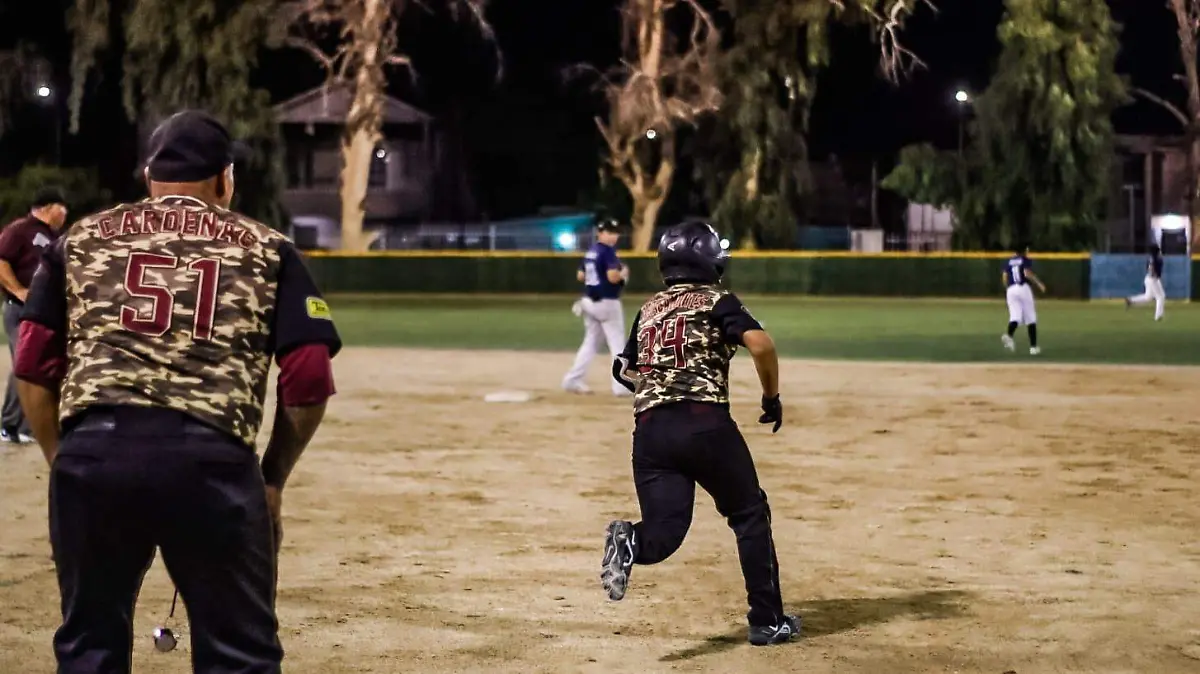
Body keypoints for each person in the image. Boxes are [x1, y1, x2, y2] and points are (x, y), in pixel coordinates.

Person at [13, 109, 342, 674]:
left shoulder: (81, 239)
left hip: (96, 457)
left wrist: (62, 457)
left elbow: (33, 359)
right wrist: (271, 477)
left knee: (89, 645)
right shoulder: (269, 248)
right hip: (210, 464)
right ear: (225, 180)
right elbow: (308, 374)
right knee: (240, 653)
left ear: (148, 177)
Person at [601, 220, 797, 647]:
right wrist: (771, 398)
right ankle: (766, 620)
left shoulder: (649, 307)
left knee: (664, 531)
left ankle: (630, 540)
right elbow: (761, 345)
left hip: (650, 431)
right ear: (710, 260)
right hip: (704, 424)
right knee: (748, 515)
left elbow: (623, 368)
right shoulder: (716, 300)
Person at [0, 187, 69, 443]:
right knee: (28, 365)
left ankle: (18, 425)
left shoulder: (54, 236)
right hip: (20, 310)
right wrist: (18, 290)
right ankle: (15, 426)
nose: (65, 214)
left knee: (30, 363)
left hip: (44, 311)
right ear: (49, 207)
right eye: (63, 209)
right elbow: (1, 260)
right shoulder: (20, 230)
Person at [562, 218, 630, 396]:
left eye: (615, 232)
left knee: (590, 344)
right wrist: (624, 273)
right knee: (617, 345)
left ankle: (572, 380)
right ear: (600, 233)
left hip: (591, 302)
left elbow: (580, 275)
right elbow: (613, 277)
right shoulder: (608, 252)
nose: (613, 236)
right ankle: (621, 387)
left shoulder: (592, 251)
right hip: (607, 303)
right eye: (609, 232)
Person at [1001, 245, 1046, 356]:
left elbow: (1004, 277)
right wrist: (1039, 283)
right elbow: (1026, 273)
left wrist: (1009, 289)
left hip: (1011, 290)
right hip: (1023, 288)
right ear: (1024, 251)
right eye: (1027, 249)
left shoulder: (1009, 261)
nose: (1028, 251)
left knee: (1015, 317)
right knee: (1031, 318)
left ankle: (1009, 335)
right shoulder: (1025, 259)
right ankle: (1033, 348)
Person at [1126, 243, 1166, 321]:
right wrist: (1155, 275)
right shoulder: (1155, 258)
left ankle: (1130, 300)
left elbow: (1149, 267)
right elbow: (1154, 268)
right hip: (1152, 279)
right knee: (1160, 297)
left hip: (1148, 278)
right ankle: (1158, 316)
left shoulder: (1151, 257)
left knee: (1148, 297)